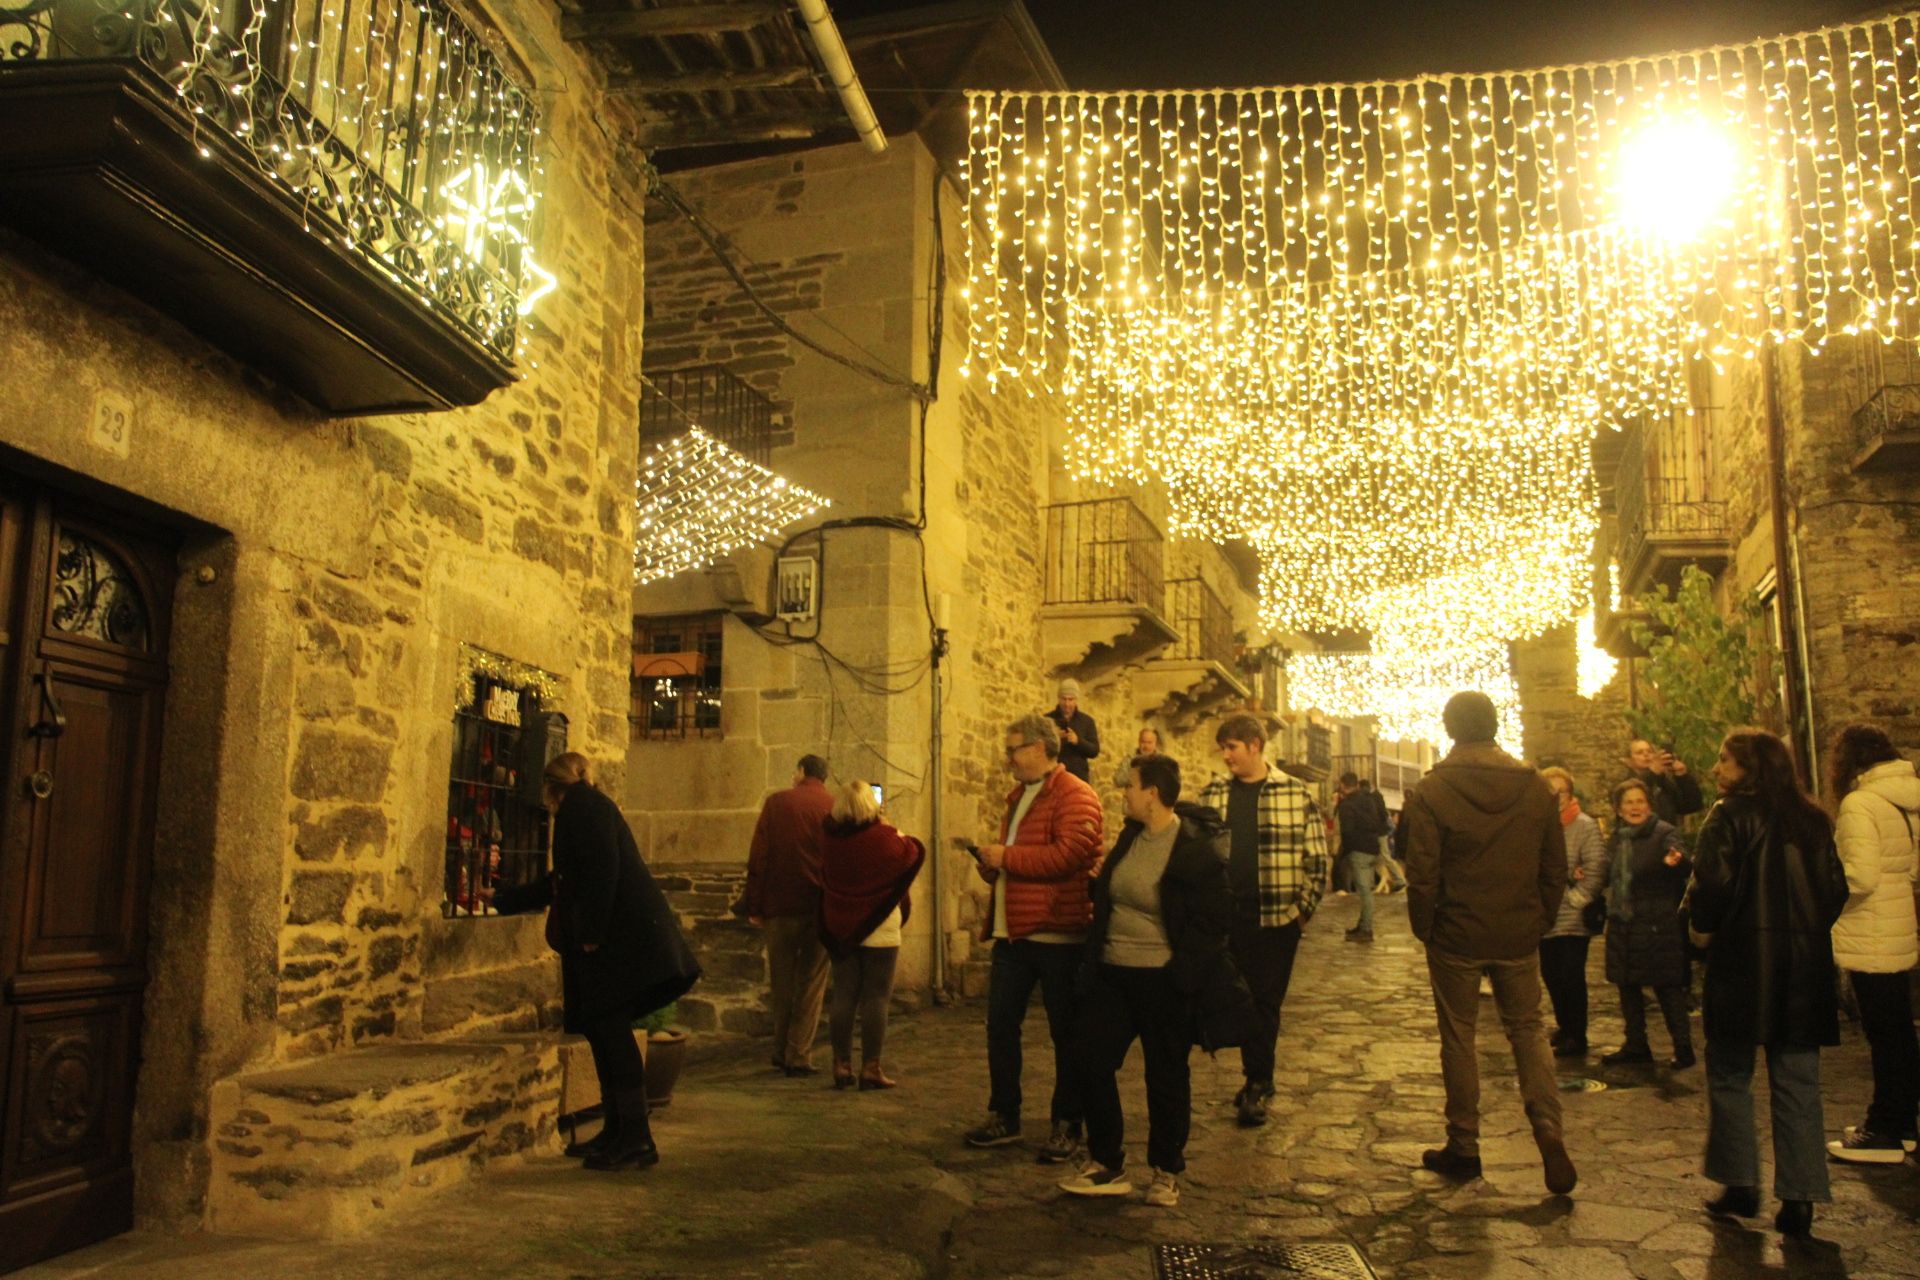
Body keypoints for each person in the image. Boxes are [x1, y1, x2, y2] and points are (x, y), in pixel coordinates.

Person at [1402, 692, 1575, 1196]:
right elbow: (1555, 866)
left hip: (1456, 932)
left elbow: (1422, 873)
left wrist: (1425, 926)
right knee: (1528, 1030)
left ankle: (1464, 1144)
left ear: (1450, 728)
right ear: (1495, 725)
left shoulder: (1435, 790)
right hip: (1517, 930)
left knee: (1459, 1037)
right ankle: (1547, 1127)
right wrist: (1538, 918)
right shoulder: (1535, 787)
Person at [492, 752, 700, 1171]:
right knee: (606, 1033)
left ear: (551, 788)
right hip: (612, 941)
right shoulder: (587, 807)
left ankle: (637, 1137)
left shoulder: (582, 809)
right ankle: (619, 1129)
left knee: (612, 1032)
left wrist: (591, 935)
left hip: (614, 944)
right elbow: (566, 880)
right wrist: (505, 900)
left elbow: (603, 871)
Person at [1060, 754, 1252, 1207]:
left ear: (1153, 793)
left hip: (1163, 980)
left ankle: (1167, 1169)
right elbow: (1115, 894)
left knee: (1165, 1075)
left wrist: (1182, 973)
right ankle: (1107, 1162)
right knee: (1089, 1058)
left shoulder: (1193, 848)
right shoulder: (1130, 837)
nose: (1123, 792)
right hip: (1113, 973)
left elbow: (1214, 918)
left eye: (1130, 785)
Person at [1690, 728, 1849, 1239]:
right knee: (1798, 1084)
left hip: (1741, 964)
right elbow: (1834, 891)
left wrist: (1701, 933)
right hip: (1803, 969)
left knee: (1731, 1075)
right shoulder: (1813, 821)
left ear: (1751, 769)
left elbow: (1711, 886)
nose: (1717, 770)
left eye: (1725, 761)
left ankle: (1740, 1182)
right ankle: (1800, 1198)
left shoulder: (1729, 817)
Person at [965, 713, 1105, 1161]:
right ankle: (1004, 1114)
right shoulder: (1020, 796)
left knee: (1067, 1034)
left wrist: (1006, 856)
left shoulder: (1076, 795)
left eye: (1014, 748)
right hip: (1015, 934)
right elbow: (1027, 859)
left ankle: (1068, 1123)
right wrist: (994, 866)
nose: (1007, 757)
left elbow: (1069, 856)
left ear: (1044, 748)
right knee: (1000, 1027)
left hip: (1058, 935)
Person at [1196, 713, 1329, 1127]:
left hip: (1276, 919)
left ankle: (1258, 1081)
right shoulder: (1212, 794)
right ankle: (1254, 1075)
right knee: (1231, 998)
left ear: (1255, 745)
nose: (1226, 756)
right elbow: (1197, 849)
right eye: (1223, 749)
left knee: (1265, 1003)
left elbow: (1317, 858)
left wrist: (1301, 912)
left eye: (1232, 748)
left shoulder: (1295, 793)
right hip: (1225, 919)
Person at [1823, 724, 1919, 1163]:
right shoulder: (1907, 796)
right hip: (1899, 923)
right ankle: (1902, 1122)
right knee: (1899, 1029)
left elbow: (1859, 876)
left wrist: (1826, 891)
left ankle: (1885, 1127)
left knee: (1884, 1032)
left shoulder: (1860, 803)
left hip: (1870, 929)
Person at [817, 780, 925, 1092]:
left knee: (844, 994)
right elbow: (914, 852)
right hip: (880, 925)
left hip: (840, 924)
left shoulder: (829, 837)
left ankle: (840, 1064)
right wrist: (891, 827)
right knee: (876, 996)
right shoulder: (884, 837)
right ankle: (871, 1067)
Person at [742, 754, 835, 1075]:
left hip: (780, 907)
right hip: (819, 908)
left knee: (781, 981)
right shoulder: (834, 805)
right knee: (811, 983)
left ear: (801, 771)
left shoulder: (777, 803)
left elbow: (760, 857)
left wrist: (754, 905)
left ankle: (780, 1049)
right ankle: (799, 1054)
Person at [1599, 779, 1695, 1069]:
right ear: (1618, 809)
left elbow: (1683, 860)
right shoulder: (1617, 839)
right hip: (1624, 921)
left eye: (1640, 801)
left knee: (1667, 986)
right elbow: (1607, 873)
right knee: (1627, 985)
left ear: (1649, 805)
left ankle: (1683, 1048)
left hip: (1656, 923)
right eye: (1628, 802)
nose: (1635, 807)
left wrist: (1675, 860)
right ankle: (1636, 1045)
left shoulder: (1664, 833)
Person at [1538, 767, 1608, 1058]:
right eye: (1550, 793)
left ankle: (1577, 1034)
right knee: (1551, 973)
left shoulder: (1584, 825)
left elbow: (1595, 866)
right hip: (1545, 914)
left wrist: (1578, 897)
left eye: (1561, 792)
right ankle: (1565, 1026)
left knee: (1571, 975)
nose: (1557, 798)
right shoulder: (1538, 825)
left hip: (1573, 915)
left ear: (1571, 793)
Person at [1334, 771, 1384, 942]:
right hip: (1372, 847)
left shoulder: (1346, 805)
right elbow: (1378, 821)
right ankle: (1362, 924)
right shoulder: (1369, 800)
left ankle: (1366, 929)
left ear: (1342, 785)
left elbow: (1347, 831)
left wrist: (1344, 853)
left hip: (1359, 850)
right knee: (1366, 889)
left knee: (1364, 893)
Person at [1626, 738, 1705, 827]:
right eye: (1639, 752)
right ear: (1629, 760)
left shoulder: (1662, 783)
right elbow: (1634, 792)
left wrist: (1683, 777)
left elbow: (1692, 806)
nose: (1646, 754)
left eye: (1650, 751)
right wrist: (1652, 772)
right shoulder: (1625, 784)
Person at [1047, 679, 1102, 784]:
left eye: (1070, 699)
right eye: (1064, 699)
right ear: (1058, 698)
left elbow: (1094, 751)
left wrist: (1078, 741)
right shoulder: (1047, 720)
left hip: (1079, 778)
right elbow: (1038, 749)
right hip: (1053, 777)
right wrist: (1054, 738)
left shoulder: (1087, 721)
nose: (1067, 703)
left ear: (1076, 700)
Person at [1364, 780, 1407, 892]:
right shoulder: (1377, 797)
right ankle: (1379, 883)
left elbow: (1380, 816)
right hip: (1379, 832)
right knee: (1378, 859)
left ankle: (1400, 881)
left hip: (1379, 833)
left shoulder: (1374, 798)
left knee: (1385, 857)